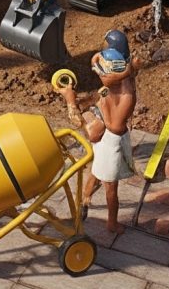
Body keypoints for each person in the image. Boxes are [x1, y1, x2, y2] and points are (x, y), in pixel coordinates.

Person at [57, 39, 138, 237]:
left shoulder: (126, 96)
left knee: (110, 187)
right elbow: (104, 69)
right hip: (106, 140)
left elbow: (112, 126)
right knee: (97, 168)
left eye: (102, 74)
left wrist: (71, 101)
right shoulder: (120, 81)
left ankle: (111, 223)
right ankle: (86, 199)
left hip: (111, 143)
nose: (99, 76)